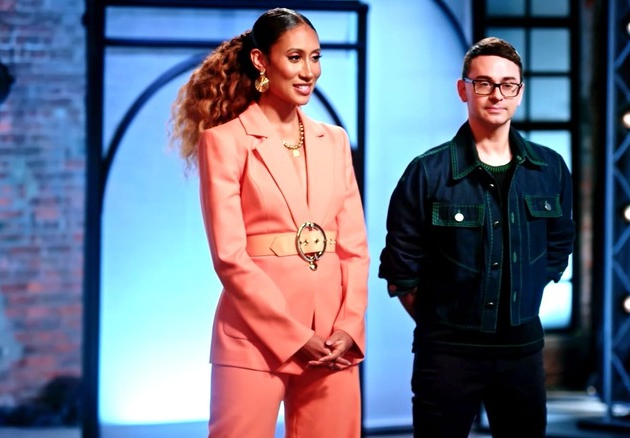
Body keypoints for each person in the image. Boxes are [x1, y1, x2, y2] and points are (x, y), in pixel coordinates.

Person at [168, 8, 369, 438]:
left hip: (334, 340)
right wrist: (294, 333)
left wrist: (350, 327)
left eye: (316, 57)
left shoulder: (333, 141)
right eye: (295, 57)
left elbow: (354, 247)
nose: (309, 71)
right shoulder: (223, 142)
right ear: (261, 61)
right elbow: (229, 256)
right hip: (253, 336)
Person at [378, 37, 575, 438]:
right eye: (483, 83)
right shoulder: (427, 172)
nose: (496, 94)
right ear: (463, 89)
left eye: (508, 84)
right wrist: (447, 322)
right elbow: (402, 267)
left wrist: (526, 290)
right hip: (447, 356)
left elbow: (559, 245)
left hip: (522, 353)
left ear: (520, 91)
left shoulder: (550, 168)